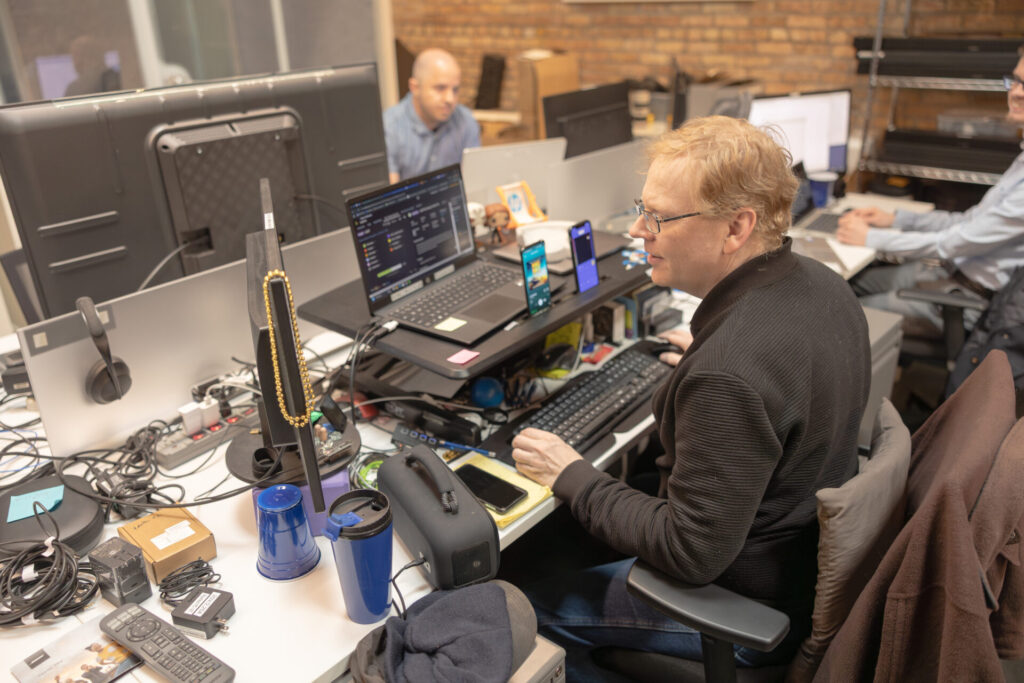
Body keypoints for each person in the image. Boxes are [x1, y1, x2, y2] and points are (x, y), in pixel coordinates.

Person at [510, 116, 871, 679]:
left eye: (658, 216)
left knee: (527, 613)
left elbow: (689, 552)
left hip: (743, 604)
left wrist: (572, 473)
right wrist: (711, 352)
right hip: (799, 560)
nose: (636, 229)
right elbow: (779, 381)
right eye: (641, 207)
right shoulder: (822, 285)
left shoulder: (729, 375)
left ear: (736, 228)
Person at [835, 47, 1024, 337]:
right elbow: (967, 222)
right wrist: (896, 219)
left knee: (842, 317)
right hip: (946, 272)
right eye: (1015, 80)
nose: (1016, 92)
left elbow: (952, 243)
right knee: (843, 287)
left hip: (965, 298)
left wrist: (870, 238)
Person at [383, 48, 480, 183]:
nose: (450, 99)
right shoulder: (390, 127)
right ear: (415, 87)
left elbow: (475, 180)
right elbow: (389, 195)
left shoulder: (466, 121)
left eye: (455, 90)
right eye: (440, 88)